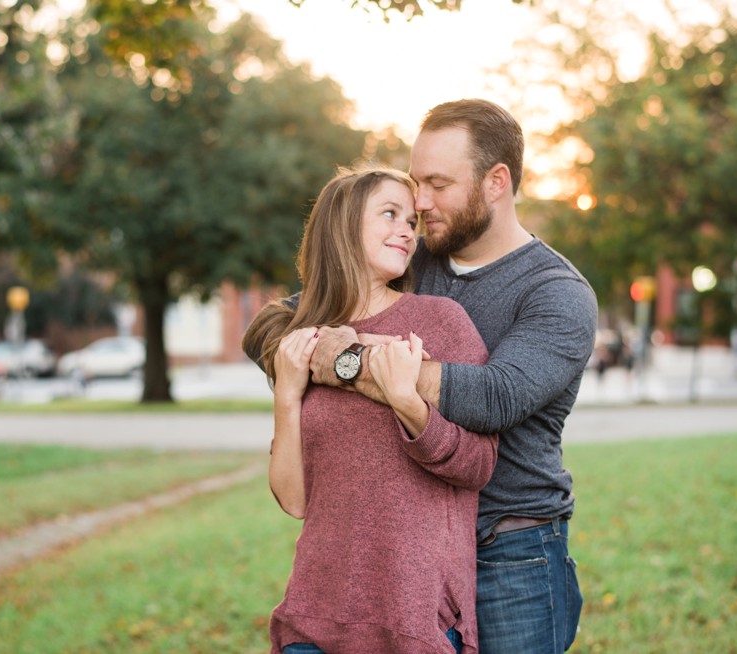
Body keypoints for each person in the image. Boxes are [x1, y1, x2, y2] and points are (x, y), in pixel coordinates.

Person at [245, 99, 597, 654]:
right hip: (404, 555)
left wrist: (351, 362)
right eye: (416, 183)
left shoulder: (556, 294)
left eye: (437, 183)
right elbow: (276, 325)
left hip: (512, 552)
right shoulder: (413, 258)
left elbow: (493, 397)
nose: (420, 203)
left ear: (495, 182)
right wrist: (306, 357)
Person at [242, 164, 498, 654]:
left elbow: (478, 466)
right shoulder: (304, 341)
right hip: (314, 624)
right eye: (390, 214)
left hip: (413, 620)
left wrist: (407, 404)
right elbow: (295, 501)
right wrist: (287, 397)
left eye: (411, 221)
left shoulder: (441, 321)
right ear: (342, 227)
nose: (407, 229)